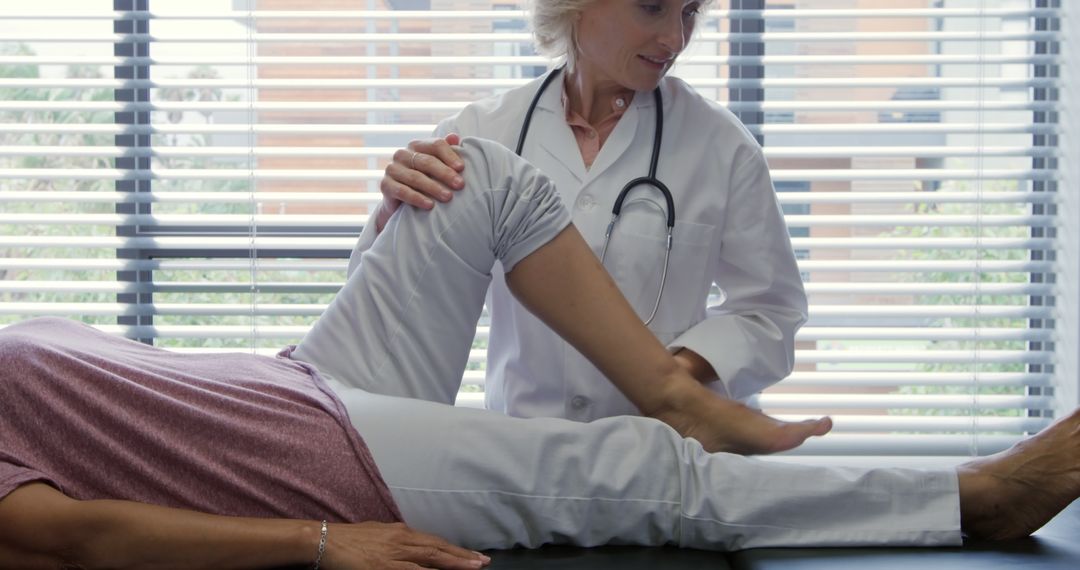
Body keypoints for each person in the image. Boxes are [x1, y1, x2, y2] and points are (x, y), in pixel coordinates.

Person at [1, 138, 1079, 570]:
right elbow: (70, 538)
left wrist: (390, 206)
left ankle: (674, 386)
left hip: (299, 379)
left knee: (475, 170)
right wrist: (323, 543)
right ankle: (973, 500)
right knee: (633, 469)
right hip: (318, 465)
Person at [364, 0, 810, 422]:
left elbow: (771, 315)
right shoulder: (480, 134)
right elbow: (389, 305)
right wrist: (395, 211)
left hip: (664, 457)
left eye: (690, 11)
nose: (676, 38)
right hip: (521, 459)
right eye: (652, 7)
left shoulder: (721, 146)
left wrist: (664, 379)